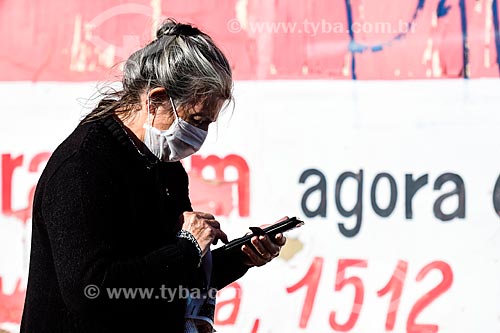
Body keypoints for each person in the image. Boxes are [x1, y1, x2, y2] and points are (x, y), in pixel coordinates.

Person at [20, 19, 286, 333]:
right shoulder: (82, 166)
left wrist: (240, 256)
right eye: (197, 120)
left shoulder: (163, 165)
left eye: (208, 124)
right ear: (156, 100)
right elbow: (91, 293)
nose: (200, 135)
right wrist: (188, 246)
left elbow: (169, 278)